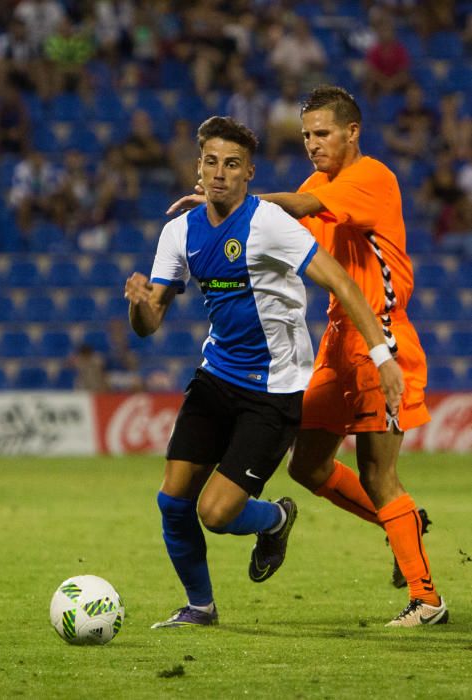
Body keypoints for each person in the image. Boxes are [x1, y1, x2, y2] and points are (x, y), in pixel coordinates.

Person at [167, 87, 448, 628]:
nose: (313, 144)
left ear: (352, 132)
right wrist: (216, 218)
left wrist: (231, 199)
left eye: (323, 133)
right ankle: (403, 526)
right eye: (306, 136)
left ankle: (426, 599)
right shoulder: (316, 182)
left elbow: (298, 208)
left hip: (379, 336)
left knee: (377, 474)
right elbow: (275, 231)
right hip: (336, 344)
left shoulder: (372, 178)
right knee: (308, 465)